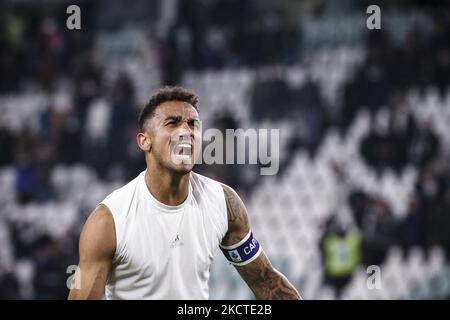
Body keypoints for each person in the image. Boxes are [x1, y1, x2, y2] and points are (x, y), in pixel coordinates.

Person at [68, 86, 301, 300]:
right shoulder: (109, 220)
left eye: (193, 125)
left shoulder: (223, 202)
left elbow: (265, 281)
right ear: (144, 141)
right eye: (172, 123)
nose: (186, 131)